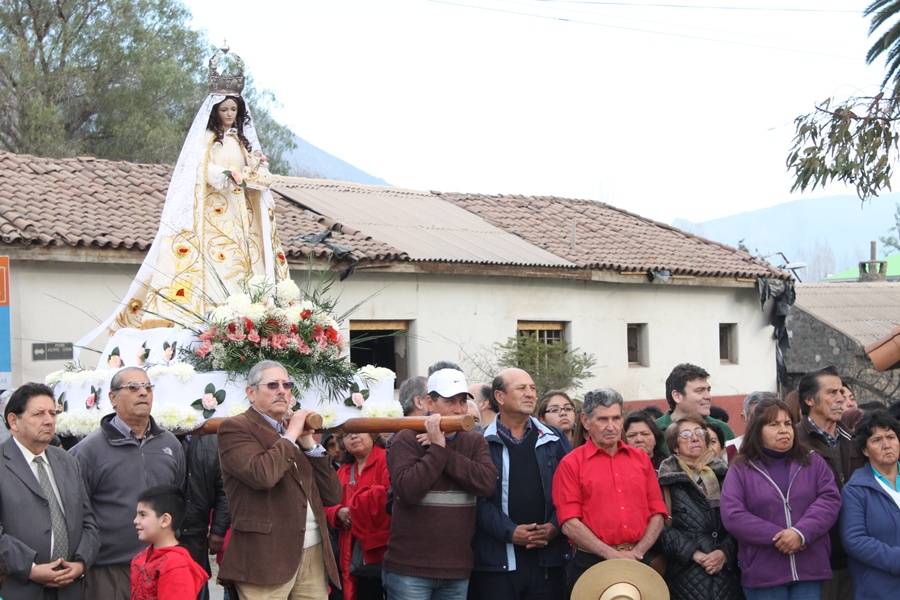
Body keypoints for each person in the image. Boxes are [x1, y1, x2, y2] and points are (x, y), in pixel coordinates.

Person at [84, 46, 289, 337]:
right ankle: (215, 308)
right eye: (224, 110)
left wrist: (254, 170)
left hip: (242, 213)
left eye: (233, 110)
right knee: (217, 257)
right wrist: (225, 175)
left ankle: (248, 308)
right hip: (214, 211)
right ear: (215, 112)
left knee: (245, 258)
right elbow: (199, 168)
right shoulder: (208, 139)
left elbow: (258, 174)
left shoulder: (242, 142)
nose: (229, 114)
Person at [217, 360, 342, 599]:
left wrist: (309, 444)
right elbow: (263, 475)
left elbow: (333, 496)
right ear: (251, 393)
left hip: (313, 552)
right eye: (273, 385)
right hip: (265, 556)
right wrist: (292, 434)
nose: (282, 391)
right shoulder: (235, 428)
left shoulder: (292, 434)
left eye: (287, 385)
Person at [382, 368, 497, 600]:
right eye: (450, 401)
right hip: (410, 570)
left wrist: (442, 450)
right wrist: (437, 449)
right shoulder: (406, 438)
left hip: (456, 569)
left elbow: (486, 483)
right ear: (429, 403)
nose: (459, 409)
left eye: (462, 401)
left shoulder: (475, 441)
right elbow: (408, 490)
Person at [70, 367, 185, 600]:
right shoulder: (88, 451)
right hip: (110, 569)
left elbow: (179, 498)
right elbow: (77, 513)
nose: (143, 393)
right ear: (113, 398)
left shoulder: (171, 444)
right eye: (133, 387)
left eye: (148, 387)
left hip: (161, 565)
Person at [720, 398, 841, 600]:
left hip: (809, 569)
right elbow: (733, 515)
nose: (784, 430)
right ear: (757, 430)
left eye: (787, 423)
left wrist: (801, 533)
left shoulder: (813, 461)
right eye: (774, 425)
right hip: (764, 572)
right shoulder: (741, 468)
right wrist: (781, 537)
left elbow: (829, 500)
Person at [471, 368, 572, 600]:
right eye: (521, 388)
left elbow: (572, 491)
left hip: (548, 561)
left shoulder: (555, 439)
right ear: (499, 396)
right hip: (497, 563)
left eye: (533, 388)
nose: (530, 394)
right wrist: (511, 532)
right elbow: (475, 499)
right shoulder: (480, 442)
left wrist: (555, 526)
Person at [552, 388, 667, 591]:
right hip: (591, 563)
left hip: (639, 559)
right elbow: (569, 523)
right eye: (603, 419)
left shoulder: (641, 459)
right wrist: (614, 556)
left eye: (616, 418)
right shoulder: (571, 464)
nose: (611, 427)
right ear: (585, 421)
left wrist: (637, 552)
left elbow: (657, 512)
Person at [0, 383, 99, 600]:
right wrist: (30, 569)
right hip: (17, 589)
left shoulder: (68, 461)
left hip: (69, 589)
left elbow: (89, 522)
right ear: (13, 421)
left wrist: (80, 564)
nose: (49, 421)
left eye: (52, 413)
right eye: (39, 414)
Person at [794, 365, 864, 600]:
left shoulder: (855, 439)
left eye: (841, 392)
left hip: (855, 555)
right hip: (812, 555)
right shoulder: (794, 443)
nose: (840, 399)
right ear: (809, 400)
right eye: (832, 392)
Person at [656, 415, 741, 600]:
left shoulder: (726, 475)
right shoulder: (664, 479)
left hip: (726, 574)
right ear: (675, 446)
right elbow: (657, 526)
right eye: (686, 435)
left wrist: (724, 552)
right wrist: (693, 553)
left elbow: (740, 518)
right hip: (685, 573)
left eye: (699, 433)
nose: (695, 438)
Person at [839, 409, 900, 599]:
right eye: (877, 440)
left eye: (891, 437)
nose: (886, 445)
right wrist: (895, 559)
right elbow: (854, 539)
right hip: (879, 588)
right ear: (865, 450)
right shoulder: (855, 490)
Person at [325, 432, 390, 600]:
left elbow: (390, 496)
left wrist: (354, 509)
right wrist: (338, 512)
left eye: (359, 431)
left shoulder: (386, 459)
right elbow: (327, 503)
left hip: (381, 549)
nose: (353, 437)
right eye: (347, 435)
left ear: (373, 435)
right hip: (350, 550)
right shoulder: (344, 470)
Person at [130, 484, 208, 599]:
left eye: (143, 515)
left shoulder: (176, 564)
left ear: (165, 520)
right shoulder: (141, 557)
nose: (135, 520)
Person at [177, 432, 228, 600]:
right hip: (163, 533)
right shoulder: (163, 435)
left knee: (196, 588)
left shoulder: (213, 440)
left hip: (196, 535)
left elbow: (224, 490)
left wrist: (218, 530)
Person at [656, 364, 734, 454]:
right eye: (699, 391)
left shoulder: (723, 429)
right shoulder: (653, 430)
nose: (708, 396)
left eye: (708, 390)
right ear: (677, 396)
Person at [725, 390, 776, 463]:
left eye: (769, 417)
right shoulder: (731, 449)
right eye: (755, 417)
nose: (761, 423)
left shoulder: (786, 448)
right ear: (744, 418)